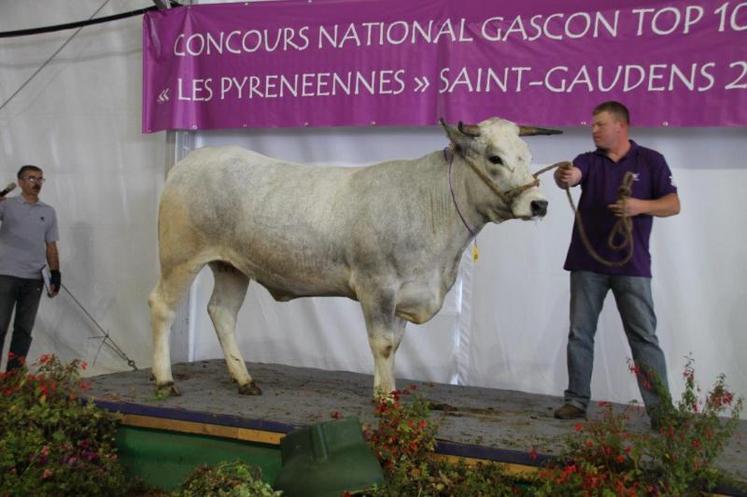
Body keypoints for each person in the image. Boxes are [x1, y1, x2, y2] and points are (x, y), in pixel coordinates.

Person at [553, 101, 680, 428]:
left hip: (632, 265)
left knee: (644, 338)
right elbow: (572, 174)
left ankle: (661, 412)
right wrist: (565, 175)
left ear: (620, 126)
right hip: (587, 262)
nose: (593, 130)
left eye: (599, 124)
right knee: (580, 334)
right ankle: (576, 401)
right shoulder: (588, 161)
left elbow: (672, 204)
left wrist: (640, 205)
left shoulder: (651, 161)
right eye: (593, 125)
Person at [0, 165, 60, 372]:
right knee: (0, 327)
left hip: (34, 278)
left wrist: (55, 274)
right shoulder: (6, 205)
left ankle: (13, 378)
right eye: (31, 178)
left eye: (40, 179)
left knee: (24, 330)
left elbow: (51, 245)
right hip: (5, 275)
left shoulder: (48, 211)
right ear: (20, 182)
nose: (36, 183)